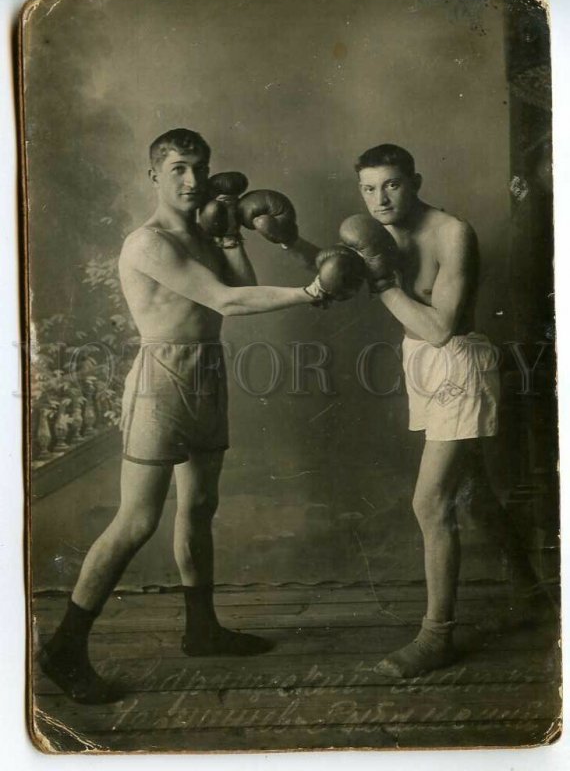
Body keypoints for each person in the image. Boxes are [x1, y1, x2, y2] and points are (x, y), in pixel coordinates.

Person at [39, 128, 355, 704]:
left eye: (200, 168)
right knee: (136, 521)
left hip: (207, 370)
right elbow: (225, 301)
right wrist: (313, 290)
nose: (192, 180)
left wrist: (232, 232)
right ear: (154, 175)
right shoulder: (149, 242)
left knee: (201, 505)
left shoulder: (204, 228)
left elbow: (243, 288)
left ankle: (201, 628)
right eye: (180, 168)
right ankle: (64, 645)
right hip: (161, 380)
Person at [346, 143, 549, 678]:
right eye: (368, 189)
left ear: (415, 179)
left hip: (458, 364)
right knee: (473, 492)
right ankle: (532, 592)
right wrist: (286, 236)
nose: (380, 198)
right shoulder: (377, 234)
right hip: (421, 367)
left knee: (430, 501)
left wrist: (382, 280)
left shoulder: (452, 232)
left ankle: (437, 636)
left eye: (390, 184)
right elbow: (336, 275)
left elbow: (439, 328)